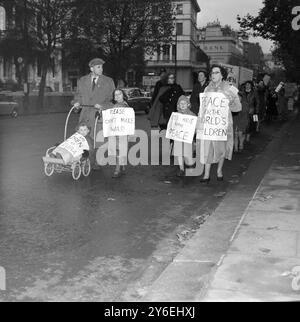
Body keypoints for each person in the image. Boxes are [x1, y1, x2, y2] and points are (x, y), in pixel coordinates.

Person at [197, 65, 242, 183]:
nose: (213, 75)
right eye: (212, 73)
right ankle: (206, 174)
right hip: (209, 125)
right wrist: (200, 122)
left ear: (222, 75)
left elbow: (238, 107)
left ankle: (219, 171)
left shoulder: (230, 88)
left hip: (222, 125)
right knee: (207, 148)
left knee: (221, 148)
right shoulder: (207, 89)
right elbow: (203, 108)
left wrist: (230, 102)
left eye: (216, 73)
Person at [73, 58, 115, 168]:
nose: (101, 69)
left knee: (97, 139)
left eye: (102, 67)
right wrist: (76, 103)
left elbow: (112, 100)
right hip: (85, 115)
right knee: (84, 139)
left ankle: (96, 160)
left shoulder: (108, 81)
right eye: (98, 67)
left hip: (98, 115)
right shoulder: (82, 80)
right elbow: (78, 95)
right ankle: (84, 160)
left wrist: (103, 106)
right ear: (91, 68)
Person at [109, 89, 130, 178]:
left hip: (123, 132)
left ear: (123, 95)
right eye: (115, 95)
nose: (117, 96)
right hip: (115, 131)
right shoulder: (114, 106)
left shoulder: (125, 106)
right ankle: (122, 165)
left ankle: (117, 169)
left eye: (119, 94)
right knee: (118, 150)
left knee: (120, 150)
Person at [173, 96, 196, 177]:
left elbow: (195, 126)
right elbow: (172, 126)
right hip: (178, 138)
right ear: (178, 105)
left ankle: (191, 166)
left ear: (188, 104)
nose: (182, 105)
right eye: (181, 103)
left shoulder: (192, 115)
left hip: (187, 138)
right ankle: (181, 169)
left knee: (187, 154)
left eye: (184, 103)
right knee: (179, 154)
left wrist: (193, 133)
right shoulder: (175, 115)